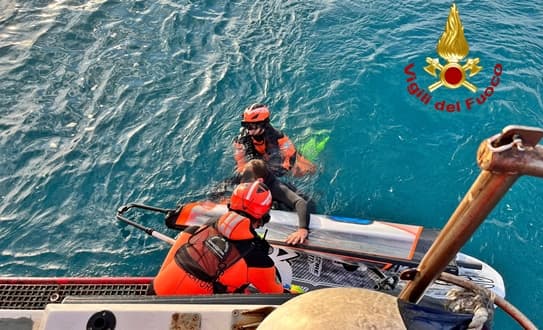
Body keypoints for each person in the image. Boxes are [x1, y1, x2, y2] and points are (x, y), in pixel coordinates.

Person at [149, 180, 286, 295]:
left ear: (230, 206)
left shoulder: (198, 229)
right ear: (263, 218)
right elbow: (277, 296)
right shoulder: (257, 260)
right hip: (186, 315)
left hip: (153, 292)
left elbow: (166, 267)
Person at [233, 103, 316, 178]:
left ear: (263, 124)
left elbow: (289, 159)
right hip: (264, 159)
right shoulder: (242, 140)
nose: (248, 130)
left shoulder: (279, 138)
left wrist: (275, 171)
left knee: (302, 171)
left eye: (251, 126)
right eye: (245, 125)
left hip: (280, 159)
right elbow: (240, 164)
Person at [240, 159, 310, 245]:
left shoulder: (275, 188)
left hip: (296, 202)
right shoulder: (250, 177)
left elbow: (300, 202)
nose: (244, 184)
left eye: (248, 182)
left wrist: (303, 229)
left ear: (260, 181)